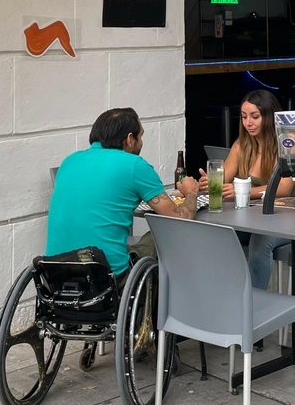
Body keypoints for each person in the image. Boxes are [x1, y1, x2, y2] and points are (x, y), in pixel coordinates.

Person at [46, 108, 200, 281]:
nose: (141, 142)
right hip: (105, 276)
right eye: (140, 136)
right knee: (166, 232)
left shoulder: (69, 161)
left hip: (54, 272)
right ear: (129, 139)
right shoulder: (134, 165)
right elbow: (181, 218)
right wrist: (191, 193)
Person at [200, 90, 295, 289]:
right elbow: (222, 179)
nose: (248, 123)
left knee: (260, 241)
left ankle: (255, 302)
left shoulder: (288, 142)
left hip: (291, 217)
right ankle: (224, 294)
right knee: (218, 234)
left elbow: (284, 188)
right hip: (255, 216)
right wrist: (208, 183)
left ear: (270, 116)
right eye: (244, 117)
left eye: (255, 117)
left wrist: (241, 192)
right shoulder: (242, 146)